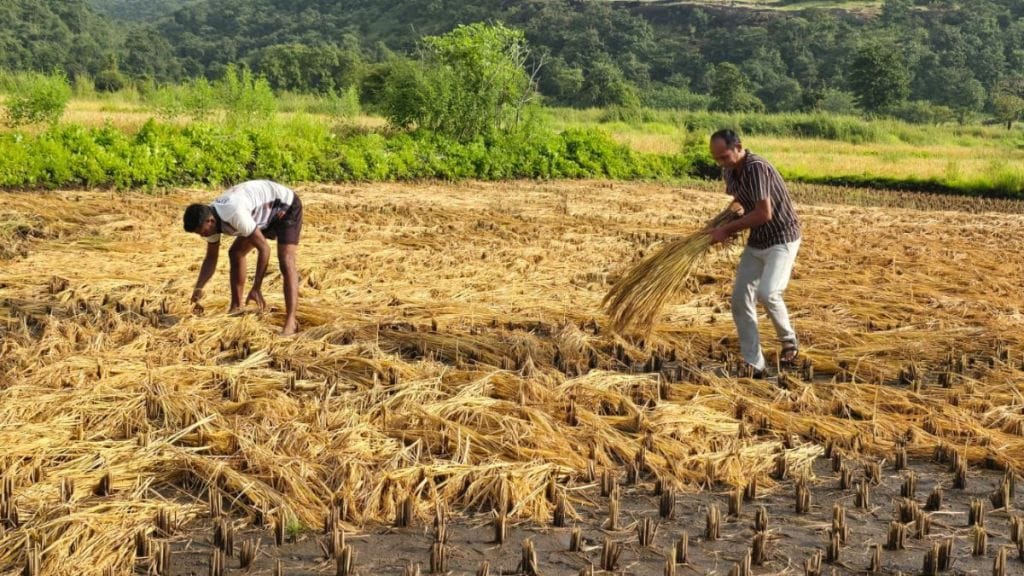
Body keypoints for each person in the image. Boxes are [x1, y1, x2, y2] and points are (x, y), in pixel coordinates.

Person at [707, 129, 801, 376]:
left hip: (782, 238)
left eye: (725, 156)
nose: (721, 163)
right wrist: (720, 220)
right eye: (717, 159)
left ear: (739, 147)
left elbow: (763, 214)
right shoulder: (730, 170)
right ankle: (754, 362)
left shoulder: (757, 167)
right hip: (757, 241)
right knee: (740, 300)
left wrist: (726, 230)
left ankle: (789, 340)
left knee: (768, 293)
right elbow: (740, 200)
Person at [182, 180, 302, 336]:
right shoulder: (210, 219)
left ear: (210, 221)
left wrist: (256, 287)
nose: (201, 235)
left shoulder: (233, 213)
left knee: (286, 260)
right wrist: (198, 290)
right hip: (260, 214)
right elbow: (211, 258)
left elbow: (264, 248)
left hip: (284, 207)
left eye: (201, 231)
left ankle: (291, 321)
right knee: (236, 252)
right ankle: (237, 307)